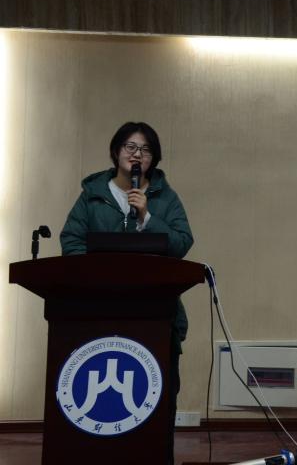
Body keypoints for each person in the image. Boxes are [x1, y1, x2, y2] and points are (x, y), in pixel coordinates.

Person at [59, 121, 193, 463]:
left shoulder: (164, 198)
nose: (137, 155)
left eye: (145, 150)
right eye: (130, 147)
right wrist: (97, 276)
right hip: (95, 313)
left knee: (156, 404)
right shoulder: (93, 194)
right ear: (116, 151)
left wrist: (147, 215)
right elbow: (71, 241)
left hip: (155, 316)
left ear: (154, 159)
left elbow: (182, 243)